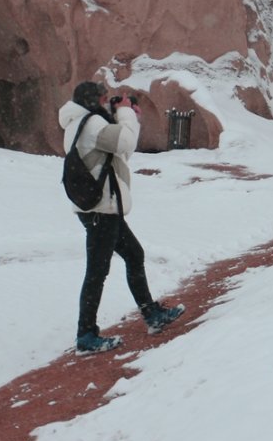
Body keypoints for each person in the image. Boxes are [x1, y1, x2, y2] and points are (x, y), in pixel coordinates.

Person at [59, 79, 185, 354]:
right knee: (97, 273)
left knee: (133, 255)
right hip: (101, 212)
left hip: (103, 209)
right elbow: (125, 142)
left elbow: (117, 145)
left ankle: (152, 315)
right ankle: (86, 335)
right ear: (93, 101)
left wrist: (120, 114)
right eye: (104, 99)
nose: (107, 103)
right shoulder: (91, 125)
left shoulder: (84, 122)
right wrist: (126, 112)